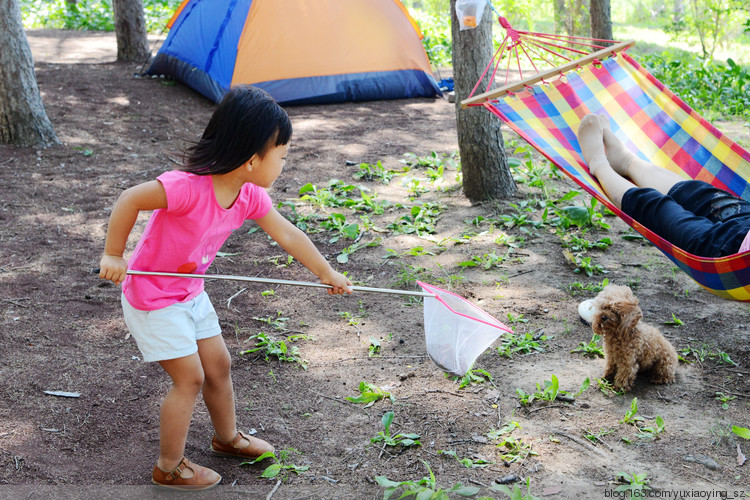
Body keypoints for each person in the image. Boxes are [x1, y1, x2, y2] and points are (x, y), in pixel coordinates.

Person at [98, 86, 352, 490]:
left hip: (190, 293)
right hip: (153, 298)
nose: (284, 165)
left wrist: (327, 273)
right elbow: (130, 199)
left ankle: (227, 438)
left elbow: (288, 234)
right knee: (190, 379)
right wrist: (114, 254)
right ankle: (168, 466)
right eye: (282, 156)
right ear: (253, 159)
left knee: (219, 365)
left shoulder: (249, 195)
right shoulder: (185, 188)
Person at [577, 113, 750, 259]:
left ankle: (599, 164)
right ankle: (627, 161)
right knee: (697, 194)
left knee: (659, 210)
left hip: (734, 256)